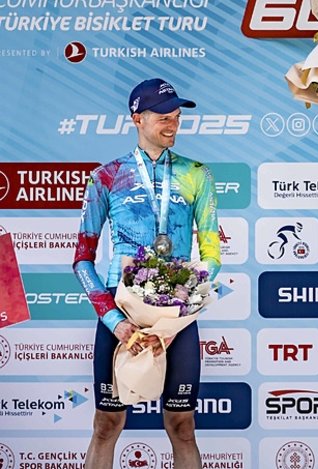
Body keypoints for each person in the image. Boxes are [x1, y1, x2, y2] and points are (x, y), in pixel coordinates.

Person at [73, 78, 221, 469]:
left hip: (176, 315)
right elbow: (82, 260)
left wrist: (173, 320)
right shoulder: (106, 177)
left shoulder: (197, 174)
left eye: (177, 117)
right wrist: (115, 322)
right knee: (106, 425)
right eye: (163, 117)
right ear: (137, 118)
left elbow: (212, 255)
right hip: (120, 313)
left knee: (182, 426)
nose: (173, 125)